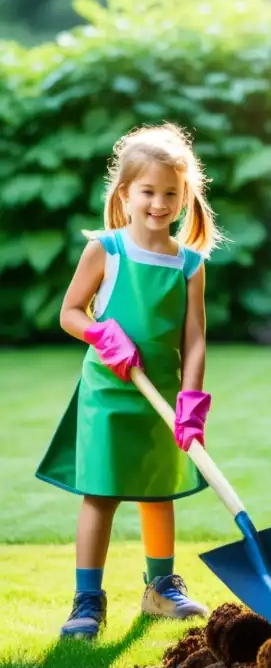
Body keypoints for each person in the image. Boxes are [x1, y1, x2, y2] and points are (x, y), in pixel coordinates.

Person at [36, 123, 223, 639]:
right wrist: (102, 335)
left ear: (184, 197)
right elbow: (70, 313)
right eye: (148, 192)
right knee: (100, 493)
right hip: (108, 394)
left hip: (161, 396)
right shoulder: (107, 251)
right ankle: (87, 599)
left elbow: (195, 339)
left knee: (156, 491)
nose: (159, 203)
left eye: (171, 193)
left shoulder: (189, 264)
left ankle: (161, 589)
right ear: (125, 194)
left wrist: (191, 398)